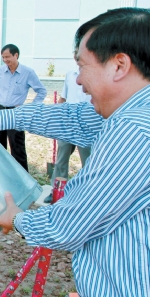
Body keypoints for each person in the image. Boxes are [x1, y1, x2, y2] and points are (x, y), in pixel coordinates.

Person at [0, 8, 150, 297]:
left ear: (119, 65)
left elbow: (67, 227)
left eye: (82, 66)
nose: (77, 80)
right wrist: (3, 119)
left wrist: (18, 219)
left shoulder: (138, 131)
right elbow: (77, 118)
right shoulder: (149, 109)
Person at [0, 44, 46, 170]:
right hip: (0, 111)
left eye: (7, 57)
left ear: (16, 55)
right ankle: (0, 174)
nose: (5, 60)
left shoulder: (28, 72)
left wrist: (30, 108)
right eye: (3, 57)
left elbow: (42, 91)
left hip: (16, 113)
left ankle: (23, 178)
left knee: (17, 148)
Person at [43, 68, 92, 203]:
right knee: (61, 161)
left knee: (88, 163)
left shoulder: (94, 72)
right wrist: (56, 116)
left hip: (86, 124)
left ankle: (88, 195)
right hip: (67, 124)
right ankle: (56, 193)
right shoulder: (70, 74)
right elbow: (63, 98)